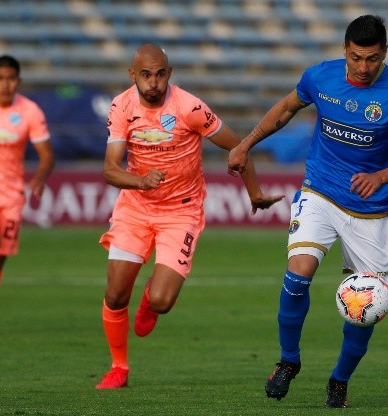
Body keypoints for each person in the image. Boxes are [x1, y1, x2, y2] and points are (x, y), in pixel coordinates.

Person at [228, 15, 388, 408]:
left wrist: (383, 176)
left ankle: (339, 379)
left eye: (372, 59)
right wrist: (245, 144)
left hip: (370, 211)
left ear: (385, 53)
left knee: (367, 306)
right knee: (297, 274)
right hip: (320, 190)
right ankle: (288, 360)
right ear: (344, 50)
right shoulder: (320, 78)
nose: (364, 67)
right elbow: (286, 109)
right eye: (356, 57)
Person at [95, 43, 283, 389]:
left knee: (163, 301)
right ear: (132, 75)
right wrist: (140, 181)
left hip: (181, 211)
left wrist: (254, 193)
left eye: (160, 74)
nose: (153, 82)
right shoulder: (121, 105)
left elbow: (236, 146)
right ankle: (118, 368)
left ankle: (152, 300)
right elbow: (109, 169)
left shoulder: (190, 107)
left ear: (169, 73)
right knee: (116, 295)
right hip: (135, 209)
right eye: (146, 75)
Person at [0, 55, 54, 317]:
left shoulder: (29, 111)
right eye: (0, 79)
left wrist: (40, 176)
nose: (5, 85)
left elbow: (46, 154)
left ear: (18, 81)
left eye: (11, 79)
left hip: (11, 193)